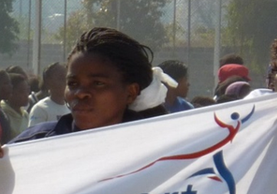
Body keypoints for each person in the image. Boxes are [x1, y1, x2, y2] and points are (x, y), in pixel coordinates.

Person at [11, 27, 167, 143]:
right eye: (72, 83)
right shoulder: (35, 143)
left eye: (98, 83)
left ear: (131, 92)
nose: (80, 93)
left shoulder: (160, 149)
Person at [27, 62, 67, 127]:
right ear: (48, 82)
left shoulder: (70, 110)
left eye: (67, 78)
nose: (65, 82)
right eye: (61, 78)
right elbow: (35, 135)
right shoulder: (40, 109)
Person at [0, 72, 31, 137]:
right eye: (21, 91)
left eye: (27, 91)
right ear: (11, 92)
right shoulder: (3, 114)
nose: (26, 95)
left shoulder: (25, 115)